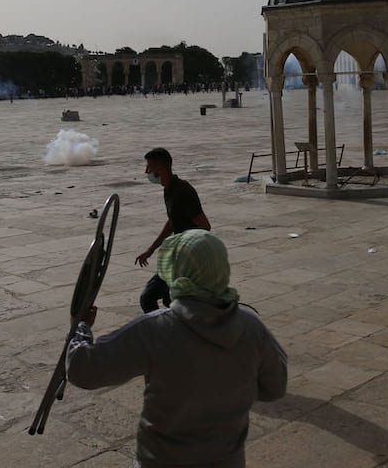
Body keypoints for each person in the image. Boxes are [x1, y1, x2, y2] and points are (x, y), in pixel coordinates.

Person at [67, 229, 288, 468]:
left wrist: (80, 329)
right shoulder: (251, 327)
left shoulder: (155, 328)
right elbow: (274, 387)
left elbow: (83, 369)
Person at [135, 147, 210, 312]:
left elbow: (205, 226)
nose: (146, 171)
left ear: (160, 169)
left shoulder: (183, 191)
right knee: (171, 302)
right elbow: (172, 223)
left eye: (149, 167)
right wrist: (151, 250)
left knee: (148, 298)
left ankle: (164, 333)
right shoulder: (169, 190)